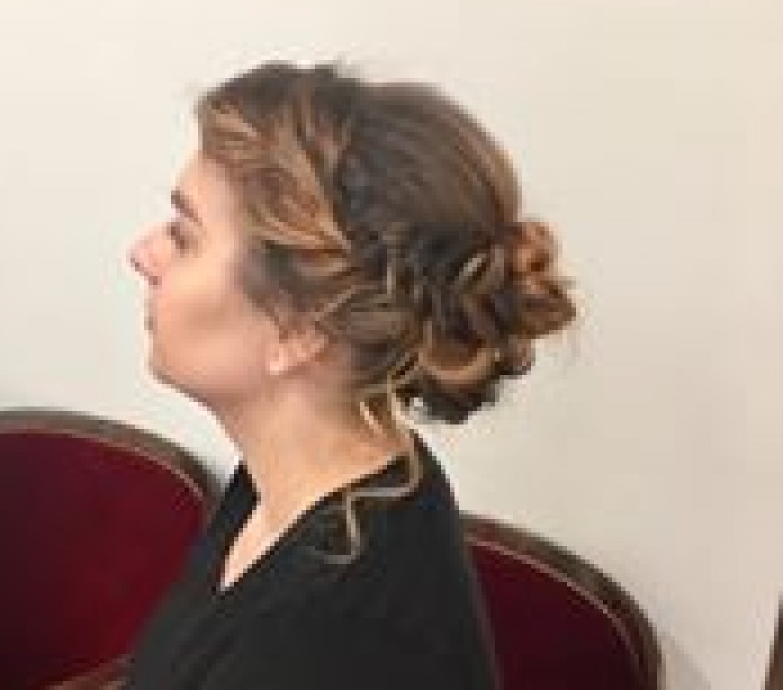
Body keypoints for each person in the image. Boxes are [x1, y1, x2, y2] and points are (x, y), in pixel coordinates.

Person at [124, 62, 576, 689]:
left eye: (184, 236)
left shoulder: (327, 641)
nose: (143, 254)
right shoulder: (295, 485)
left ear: (299, 327)